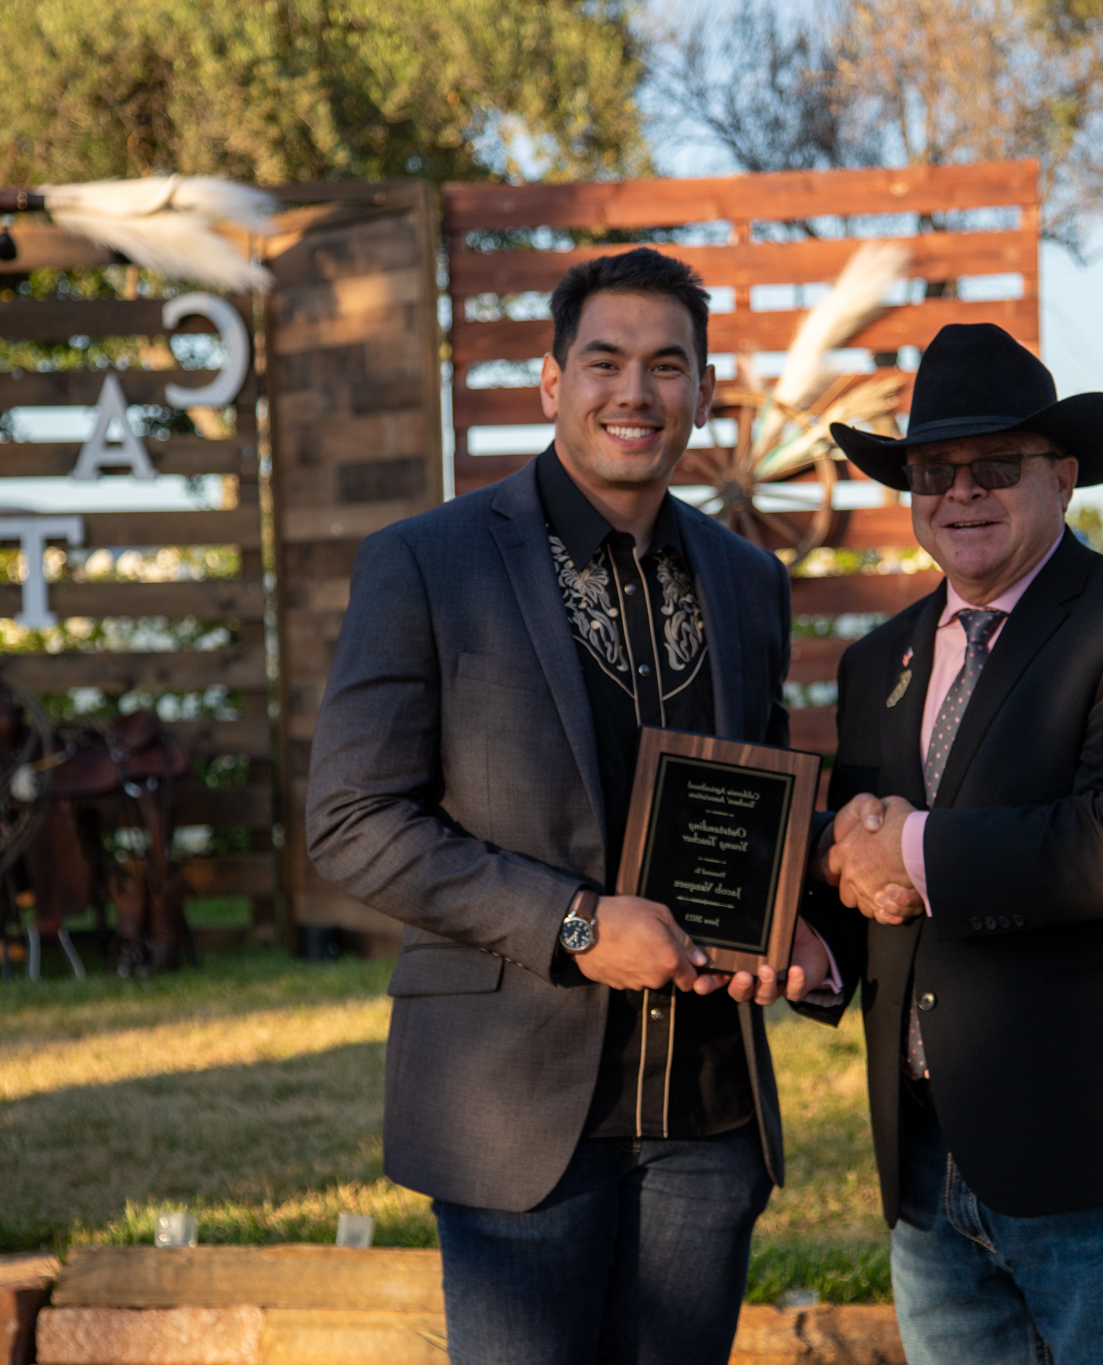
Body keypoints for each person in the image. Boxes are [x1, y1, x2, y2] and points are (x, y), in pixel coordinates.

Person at [306, 246, 835, 1365]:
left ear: (698, 390)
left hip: (706, 1118)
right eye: (603, 361)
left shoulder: (748, 584)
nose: (633, 392)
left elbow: (757, 806)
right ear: (552, 383)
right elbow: (352, 821)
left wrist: (792, 913)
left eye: (665, 365)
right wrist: (579, 924)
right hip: (514, 1119)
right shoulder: (426, 563)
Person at [806, 323, 1103, 1365]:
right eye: (933, 469)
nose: (960, 491)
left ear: (1062, 476)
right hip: (930, 1167)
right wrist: (805, 946)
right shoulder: (875, 660)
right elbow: (864, 862)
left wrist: (917, 854)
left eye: (995, 465)